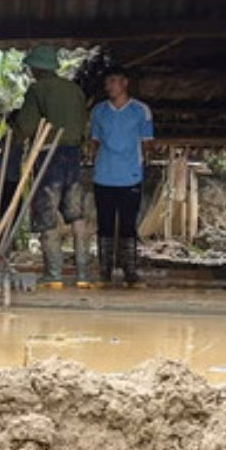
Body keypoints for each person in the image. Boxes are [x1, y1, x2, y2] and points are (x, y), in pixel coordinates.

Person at [16, 45, 93, 288]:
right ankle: (82, 275)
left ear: (38, 69)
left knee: (47, 211)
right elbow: (83, 125)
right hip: (73, 155)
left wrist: (14, 132)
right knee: (76, 213)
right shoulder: (75, 91)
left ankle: (54, 274)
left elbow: (26, 126)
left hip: (49, 154)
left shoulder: (37, 90)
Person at [87, 65, 154, 286]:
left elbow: (147, 143)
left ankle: (130, 271)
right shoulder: (99, 111)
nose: (109, 86)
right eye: (107, 82)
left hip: (131, 175)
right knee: (104, 224)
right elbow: (94, 142)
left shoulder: (141, 111)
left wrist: (144, 166)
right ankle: (104, 270)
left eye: (113, 81)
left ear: (125, 83)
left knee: (128, 225)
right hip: (104, 175)